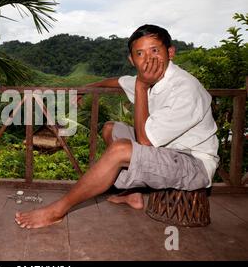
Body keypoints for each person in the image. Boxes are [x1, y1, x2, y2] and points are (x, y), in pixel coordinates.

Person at [15, 24, 219, 229]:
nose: (148, 59)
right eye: (140, 53)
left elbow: (145, 141)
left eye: (155, 50)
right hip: (166, 150)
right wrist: (85, 89)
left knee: (121, 149)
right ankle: (133, 195)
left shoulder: (184, 89)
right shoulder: (153, 78)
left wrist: (141, 85)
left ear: (171, 52)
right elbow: (117, 82)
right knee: (111, 128)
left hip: (193, 163)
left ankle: (57, 211)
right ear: (132, 60)